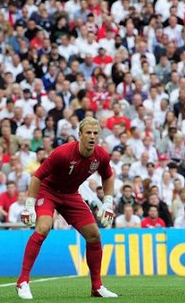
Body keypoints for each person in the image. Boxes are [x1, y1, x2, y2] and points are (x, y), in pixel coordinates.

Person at [16, 117, 117, 299]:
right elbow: (37, 177)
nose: (92, 137)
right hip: (48, 191)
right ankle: (22, 281)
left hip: (71, 194)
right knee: (44, 227)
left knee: (94, 235)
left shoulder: (101, 155)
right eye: (88, 133)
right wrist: (29, 206)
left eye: (95, 133)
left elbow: (108, 176)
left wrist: (108, 202)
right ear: (80, 135)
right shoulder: (62, 153)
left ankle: (97, 287)